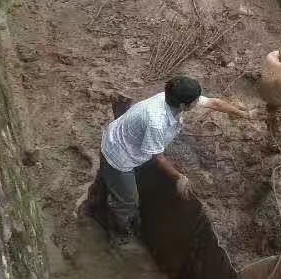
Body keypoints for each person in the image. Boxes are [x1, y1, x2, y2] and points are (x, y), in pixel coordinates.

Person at [83, 75, 257, 238]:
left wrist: (245, 114)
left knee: (122, 186)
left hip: (129, 143)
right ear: (183, 106)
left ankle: (100, 195)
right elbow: (157, 157)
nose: (199, 102)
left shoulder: (172, 97)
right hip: (119, 155)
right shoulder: (156, 122)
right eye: (196, 101)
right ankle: (117, 233)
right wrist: (178, 177)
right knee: (129, 202)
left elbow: (215, 103)